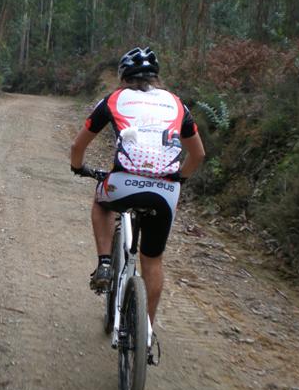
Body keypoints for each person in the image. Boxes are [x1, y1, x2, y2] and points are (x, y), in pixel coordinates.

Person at [70, 46, 205, 356]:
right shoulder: (177, 104)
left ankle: (105, 263)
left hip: (124, 184)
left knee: (101, 201)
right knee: (153, 261)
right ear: (156, 77)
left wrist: (79, 167)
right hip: (165, 192)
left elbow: (78, 146)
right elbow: (197, 154)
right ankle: (145, 333)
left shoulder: (114, 99)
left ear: (123, 77)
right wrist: (179, 178)